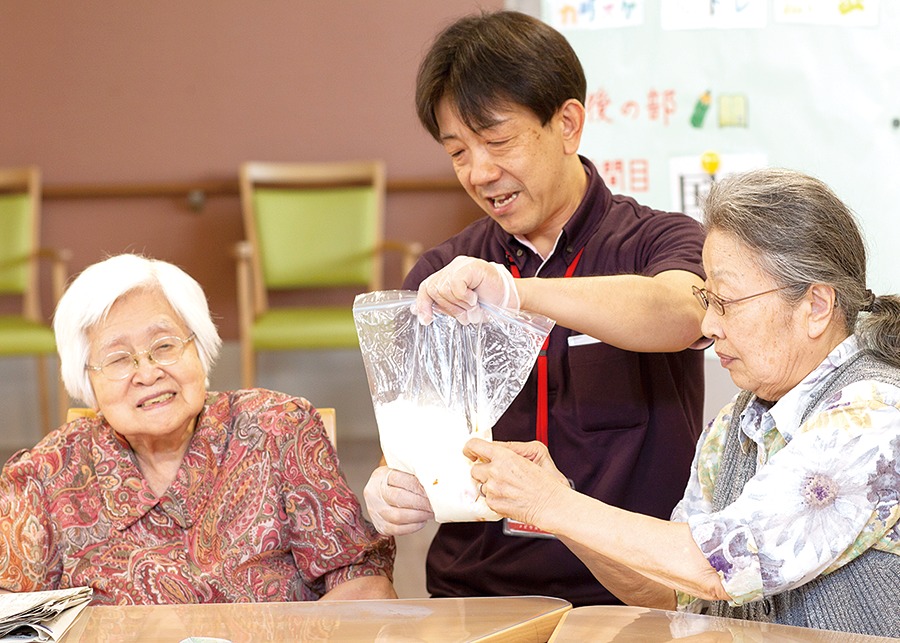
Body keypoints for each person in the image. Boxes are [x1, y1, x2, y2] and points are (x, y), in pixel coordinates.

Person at [416, 168, 900, 637]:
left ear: (816, 306)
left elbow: (713, 567)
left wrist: (551, 502)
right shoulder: (737, 422)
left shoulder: (873, 416)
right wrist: (553, 505)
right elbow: (671, 593)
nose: (709, 327)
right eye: (706, 300)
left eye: (726, 303)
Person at [364, 10, 708, 606]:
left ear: (568, 123)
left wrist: (516, 294)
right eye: (458, 152)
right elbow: (415, 438)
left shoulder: (658, 240)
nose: (480, 172)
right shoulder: (444, 275)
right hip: (477, 593)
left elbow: (682, 312)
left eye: (498, 141)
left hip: (635, 593)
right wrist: (389, 483)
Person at [0, 254, 396, 605]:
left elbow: (364, 586)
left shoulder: (279, 429)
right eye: (119, 359)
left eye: (165, 346)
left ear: (199, 349)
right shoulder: (45, 474)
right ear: (87, 383)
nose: (148, 372)